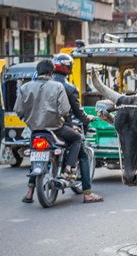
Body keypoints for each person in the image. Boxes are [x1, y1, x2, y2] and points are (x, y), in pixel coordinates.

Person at [14, 59, 81, 203]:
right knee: (76, 139)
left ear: (37, 71)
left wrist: (28, 119)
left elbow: (18, 110)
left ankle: (30, 193)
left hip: (35, 131)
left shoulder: (25, 87)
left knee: (35, 158)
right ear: (51, 72)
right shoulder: (57, 86)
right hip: (55, 129)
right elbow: (64, 110)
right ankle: (68, 168)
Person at [52, 53, 104, 203]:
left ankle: (30, 189)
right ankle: (87, 192)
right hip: (60, 127)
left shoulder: (41, 85)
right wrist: (87, 119)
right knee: (81, 150)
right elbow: (77, 112)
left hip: (38, 127)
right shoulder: (68, 88)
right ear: (69, 69)